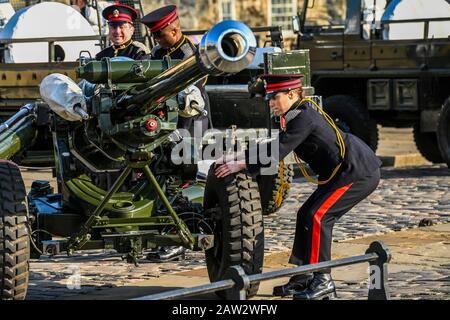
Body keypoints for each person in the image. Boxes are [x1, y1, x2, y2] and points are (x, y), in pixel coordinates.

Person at [214, 74, 382, 300]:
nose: (270, 102)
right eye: (269, 98)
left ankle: (322, 279)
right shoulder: (296, 113)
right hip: (341, 172)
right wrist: (240, 155)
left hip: (357, 171)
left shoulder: (304, 117)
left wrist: (241, 163)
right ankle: (304, 275)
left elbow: (279, 150)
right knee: (305, 214)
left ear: (292, 94)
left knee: (318, 217)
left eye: (275, 97)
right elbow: (275, 144)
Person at [140, 5, 210, 135]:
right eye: (154, 35)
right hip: (165, 109)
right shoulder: (158, 50)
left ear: (174, 31)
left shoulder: (189, 54)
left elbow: (189, 89)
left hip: (189, 113)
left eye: (159, 35)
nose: (156, 39)